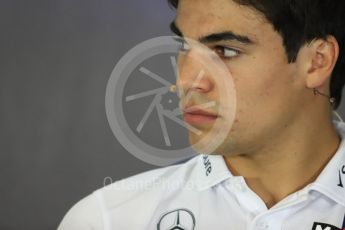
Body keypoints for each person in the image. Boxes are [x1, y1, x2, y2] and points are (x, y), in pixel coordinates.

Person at [58, 0, 345, 229]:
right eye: (185, 47)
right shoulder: (106, 220)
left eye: (225, 50)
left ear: (316, 62)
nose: (185, 81)